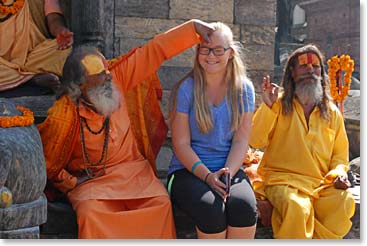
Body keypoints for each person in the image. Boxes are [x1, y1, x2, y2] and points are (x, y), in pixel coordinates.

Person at [37, 19, 214, 238]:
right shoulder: (63, 114)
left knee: (159, 204)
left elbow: (154, 51)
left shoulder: (117, 76)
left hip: (134, 173)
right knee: (91, 212)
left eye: (107, 70)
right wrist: (72, 182)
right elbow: (47, 163)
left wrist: (192, 28)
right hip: (94, 183)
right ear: (80, 86)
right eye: (100, 76)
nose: (108, 76)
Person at [249, 44, 355, 239]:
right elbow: (255, 140)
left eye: (315, 67)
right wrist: (268, 107)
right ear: (292, 72)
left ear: (321, 72)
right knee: (298, 207)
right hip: (282, 181)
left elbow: (340, 156)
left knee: (343, 202)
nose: (310, 70)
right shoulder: (278, 103)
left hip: (320, 183)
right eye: (304, 66)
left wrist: (339, 175)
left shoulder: (332, 113)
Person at [167, 22, 258, 239]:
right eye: (205, 49)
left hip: (229, 168)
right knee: (211, 210)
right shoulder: (186, 89)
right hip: (187, 171)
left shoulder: (244, 89)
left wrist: (226, 173)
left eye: (218, 50)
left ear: (230, 53)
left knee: (243, 207)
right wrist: (208, 177)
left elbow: (240, 141)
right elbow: (181, 144)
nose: (211, 55)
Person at [0, 0, 73, 97]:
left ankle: (16, 80)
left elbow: (53, 18)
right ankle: (31, 80)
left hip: (33, 56)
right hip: (2, 62)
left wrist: (59, 30)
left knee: (62, 50)